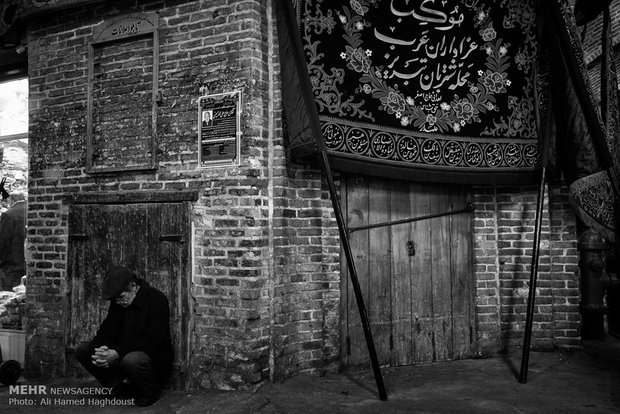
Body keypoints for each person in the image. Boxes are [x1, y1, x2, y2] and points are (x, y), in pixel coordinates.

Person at [75, 265, 173, 407]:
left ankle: (150, 391)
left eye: (121, 297)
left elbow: (153, 341)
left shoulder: (157, 299)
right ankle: (117, 386)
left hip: (152, 360)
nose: (119, 302)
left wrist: (116, 353)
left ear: (134, 286)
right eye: (115, 300)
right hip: (122, 354)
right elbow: (107, 329)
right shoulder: (119, 302)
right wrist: (98, 351)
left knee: (132, 359)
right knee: (83, 350)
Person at [0, 194, 26, 291]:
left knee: (9, 297)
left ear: (11, 201)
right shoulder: (32, 211)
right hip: (27, 264)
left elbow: (3, 240)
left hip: (11, 266)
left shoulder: (8, 214)